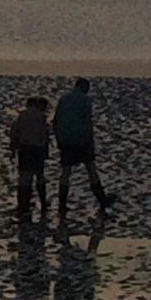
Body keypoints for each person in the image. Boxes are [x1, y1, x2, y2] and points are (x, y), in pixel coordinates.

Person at [53, 78, 110, 219]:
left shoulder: (63, 99)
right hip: (81, 140)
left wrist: (59, 139)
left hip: (66, 140)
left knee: (66, 172)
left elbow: (56, 120)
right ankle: (102, 199)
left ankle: (62, 204)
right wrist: (90, 141)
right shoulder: (85, 100)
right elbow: (87, 121)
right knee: (91, 169)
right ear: (84, 87)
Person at [8, 96, 51, 222]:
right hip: (38, 149)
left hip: (25, 148)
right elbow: (45, 135)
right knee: (40, 175)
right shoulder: (42, 117)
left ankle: (23, 205)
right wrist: (46, 151)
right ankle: (43, 202)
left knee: (24, 178)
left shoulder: (22, 116)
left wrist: (13, 150)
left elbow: (15, 132)